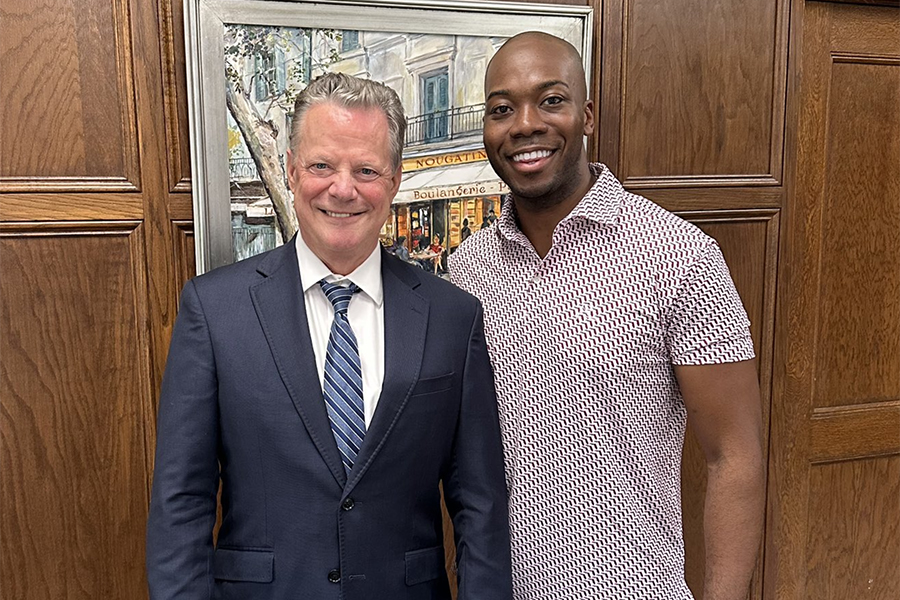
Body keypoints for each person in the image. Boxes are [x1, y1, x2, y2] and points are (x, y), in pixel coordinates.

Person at [147, 72, 512, 600]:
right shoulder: (214, 310)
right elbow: (181, 502)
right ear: (292, 171)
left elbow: (479, 503)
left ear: (394, 180)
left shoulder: (453, 316)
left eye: (366, 169)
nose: (343, 188)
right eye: (321, 165)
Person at [449, 32, 764, 600]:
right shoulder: (467, 271)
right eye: (501, 109)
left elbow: (733, 456)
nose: (524, 125)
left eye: (551, 100)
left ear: (587, 115)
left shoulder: (679, 254)